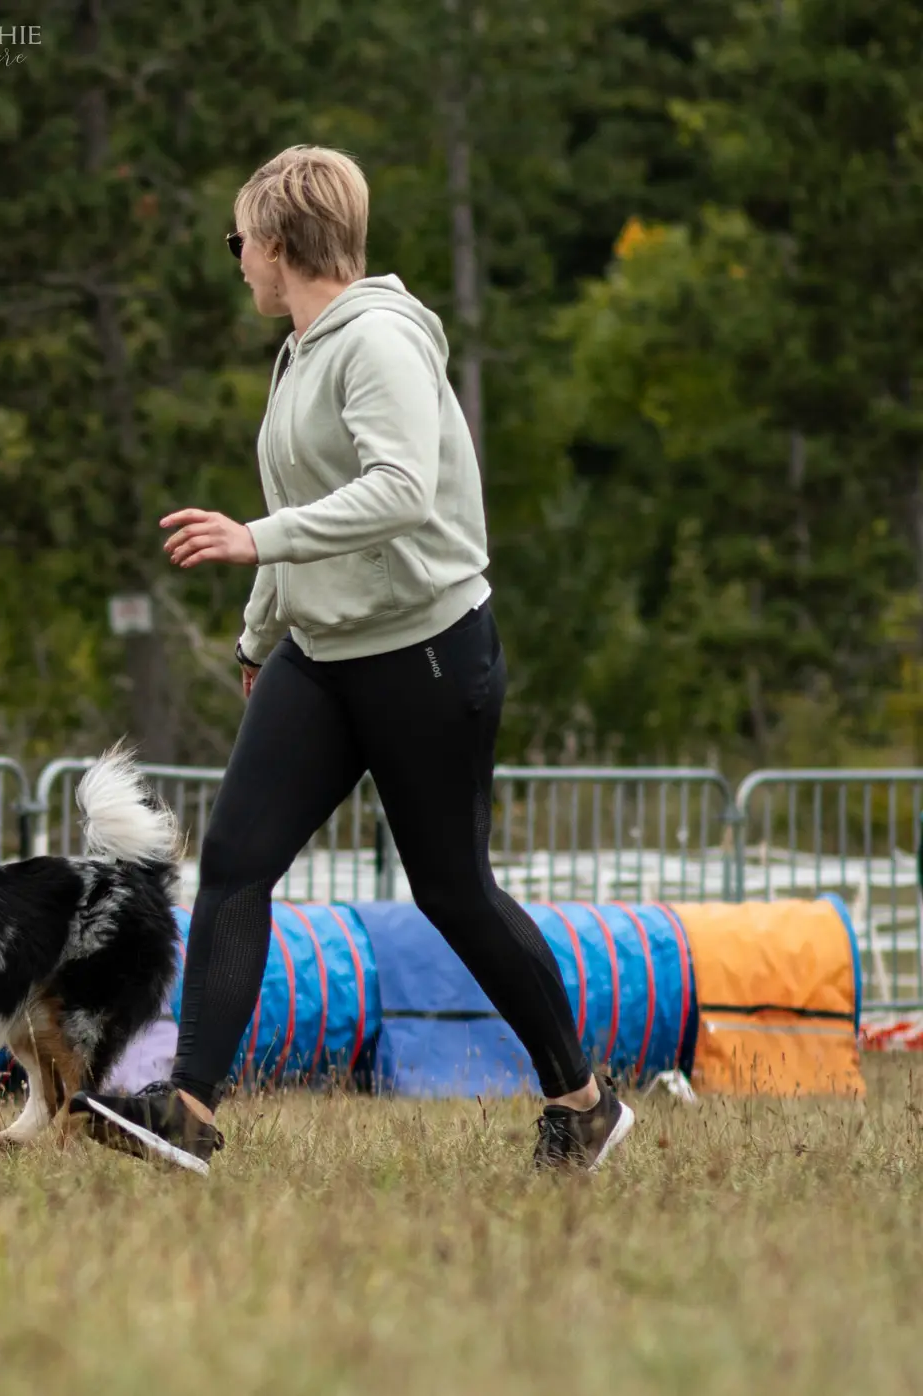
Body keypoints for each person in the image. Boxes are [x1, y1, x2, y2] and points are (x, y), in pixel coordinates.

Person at [67, 145, 634, 1173]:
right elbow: (303, 507)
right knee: (234, 865)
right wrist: (256, 627)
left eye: (238, 240)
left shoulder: (374, 342)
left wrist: (252, 540)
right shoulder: (301, 349)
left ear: (278, 242)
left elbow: (398, 491)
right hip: (323, 653)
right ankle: (187, 1109)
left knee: (451, 891)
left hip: (424, 652)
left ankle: (581, 1101)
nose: (234, 259)